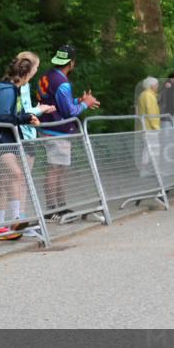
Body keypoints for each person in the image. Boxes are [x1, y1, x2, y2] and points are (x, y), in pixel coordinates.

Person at [36, 44, 100, 222]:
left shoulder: (47, 75)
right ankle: (52, 209)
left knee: (59, 169)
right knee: (55, 169)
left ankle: (61, 206)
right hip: (57, 130)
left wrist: (78, 100)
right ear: (71, 63)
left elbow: (56, 101)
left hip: (47, 127)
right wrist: (85, 104)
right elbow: (69, 112)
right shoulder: (62, 82)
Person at [0, 55, 45, 241]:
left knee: (6, 179)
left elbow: (11, 113)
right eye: (35, 70)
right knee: (16, 174)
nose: (36, 73)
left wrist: (24, 116)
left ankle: (6, 224)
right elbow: (2, 117)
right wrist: (25, 118)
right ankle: (14, 220)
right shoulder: (8, 91)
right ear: (27, 72)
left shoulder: (14, 89)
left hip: (7, 138)